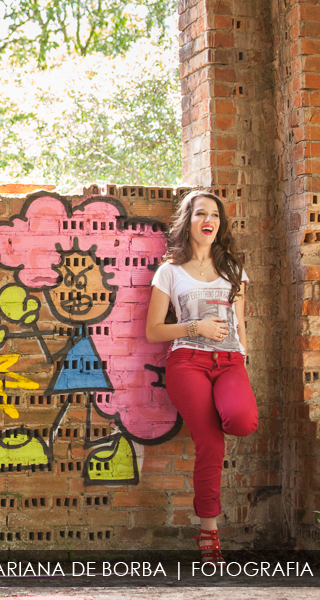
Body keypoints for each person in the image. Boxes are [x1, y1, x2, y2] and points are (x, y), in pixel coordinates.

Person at [145, 189, 259, 563]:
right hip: (187, 363)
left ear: (220, 224)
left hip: (229, 361)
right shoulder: (170, 271)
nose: (208, 220)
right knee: (210, 444)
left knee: (242, 421)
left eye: (214, 215)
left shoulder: (233, 269)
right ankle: (209, 535)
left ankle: (225, 407)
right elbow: (154, 331)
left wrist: (244, 355)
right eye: (200, 214)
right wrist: (193, 327)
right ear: (188, 221)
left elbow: (241, 323)